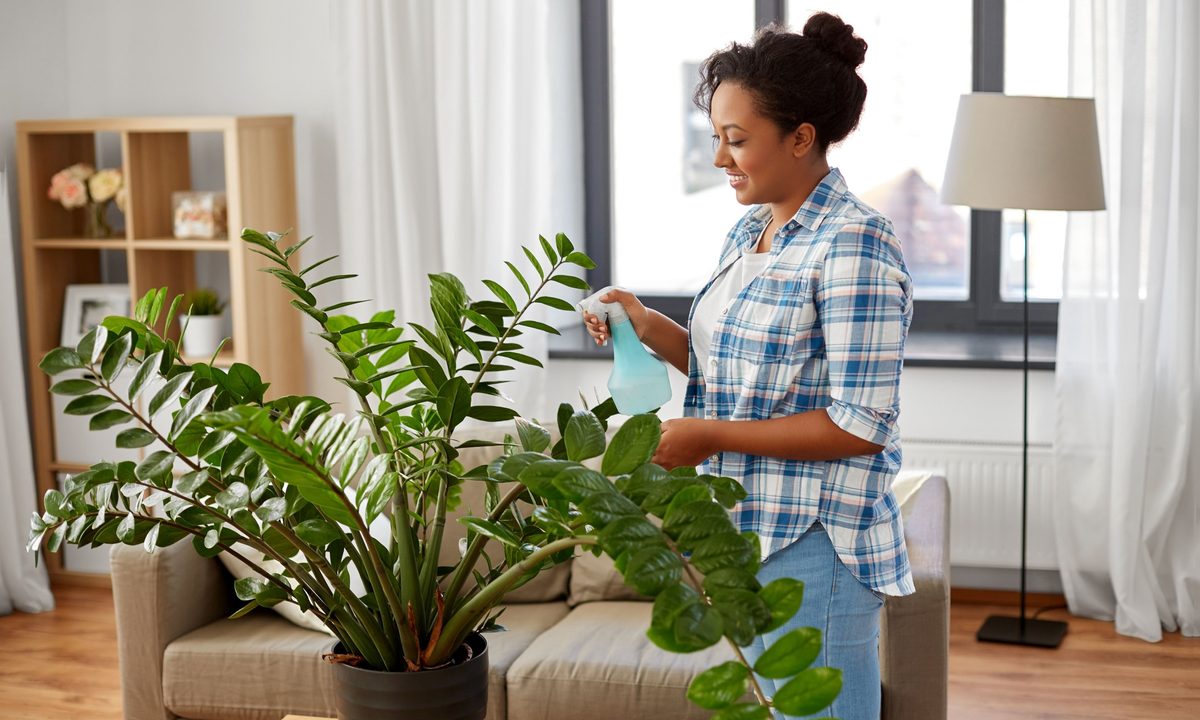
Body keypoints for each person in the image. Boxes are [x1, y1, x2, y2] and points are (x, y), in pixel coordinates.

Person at [580, 13, 913, 720]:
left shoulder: (855, 243)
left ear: (800, 138)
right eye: (716, 138)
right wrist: (643, 321)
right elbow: (726, 370)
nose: (719, 159)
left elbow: (861, 425)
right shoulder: (751, 230)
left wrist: (709, 436)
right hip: (749, 530)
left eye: (736, 140)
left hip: (816, 540)